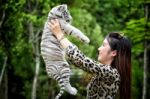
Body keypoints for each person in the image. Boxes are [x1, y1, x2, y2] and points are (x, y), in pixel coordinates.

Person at [49, 19, 131, 99]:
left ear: (113, 53)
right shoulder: (104, 72)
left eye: (103, 45)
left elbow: (81, 60)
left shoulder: (112, 73)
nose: (99, 48)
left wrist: (60, 35)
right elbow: (78, 62)